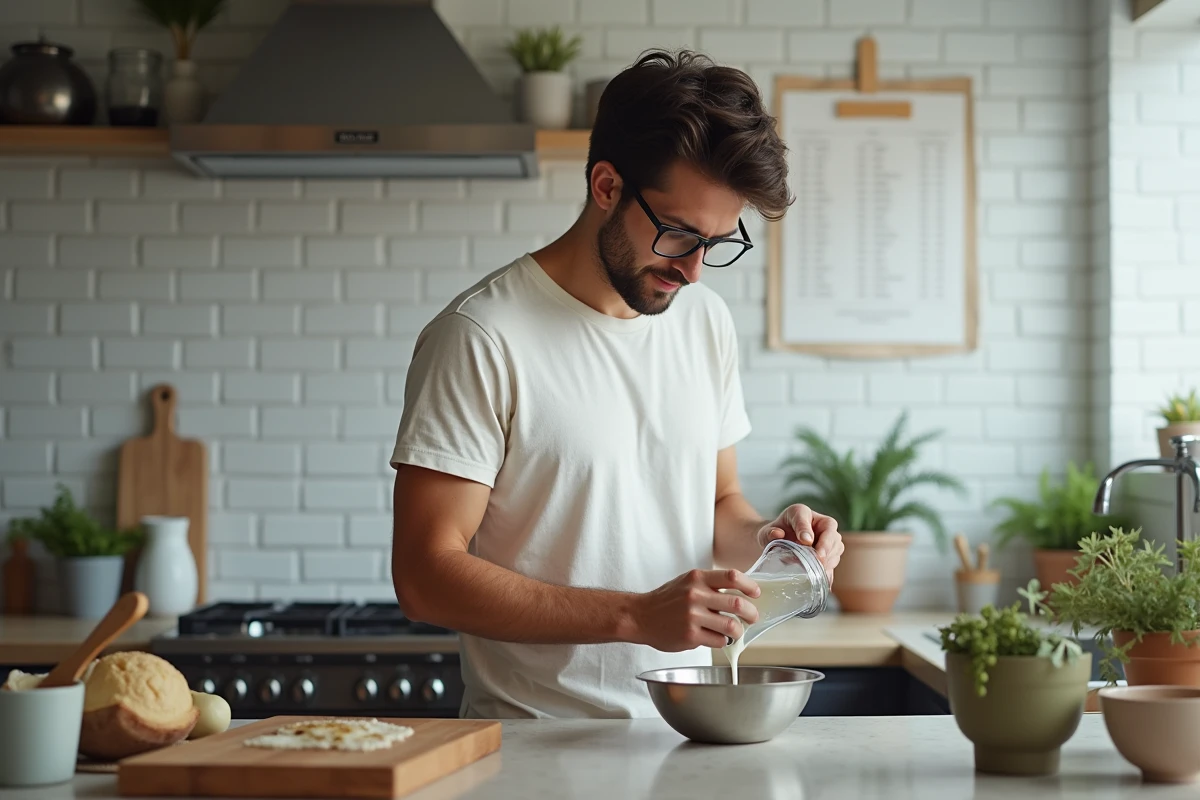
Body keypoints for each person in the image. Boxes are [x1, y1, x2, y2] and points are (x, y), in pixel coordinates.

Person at [389, 50, 844, 720]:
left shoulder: (704, 321)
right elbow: (425, 577)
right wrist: (634, 616)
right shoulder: (482, 336)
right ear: (606, 186)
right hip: (534, 748)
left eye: (717, 242)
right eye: (678, 234)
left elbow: (718, 502)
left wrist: (771, 541)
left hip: (686, 735)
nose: (694, 270)